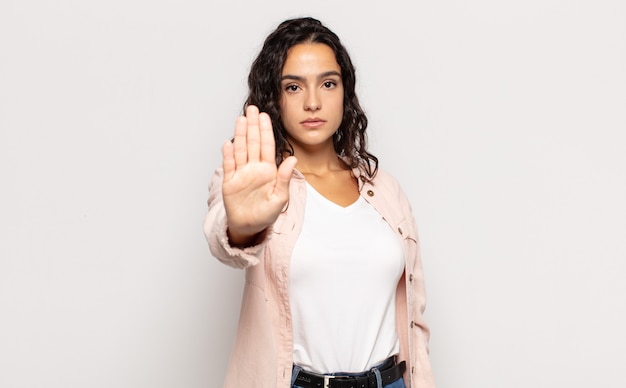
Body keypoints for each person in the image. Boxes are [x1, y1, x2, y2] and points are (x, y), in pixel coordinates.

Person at [204, 17, 435, 388]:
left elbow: (415, 319)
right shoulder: (254, 182)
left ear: (346, 91)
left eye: (328, 83)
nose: (313, 102)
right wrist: (242, 227)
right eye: (293, 87)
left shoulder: (386, 192)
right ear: (274, 97)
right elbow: (224, 237)